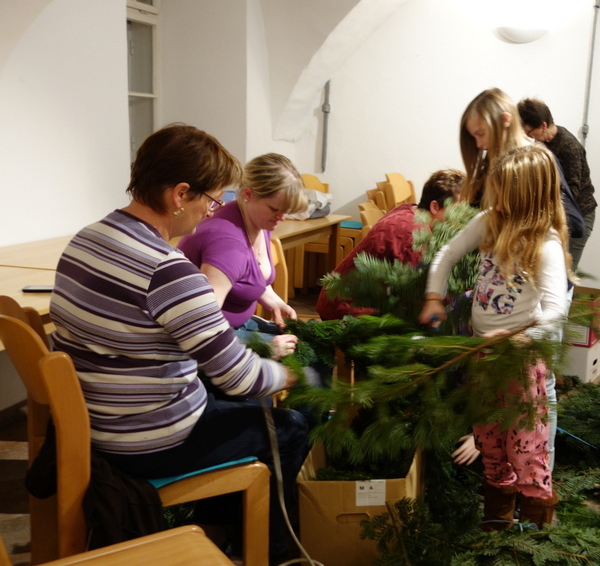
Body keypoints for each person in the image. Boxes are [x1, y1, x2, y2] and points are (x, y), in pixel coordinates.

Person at [48, 124, 310, 561]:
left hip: (94, 424)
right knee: (291, 428)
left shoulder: (87, 237)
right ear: (180, 195)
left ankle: (217, 530)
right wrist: (288, 374)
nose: (212, 211)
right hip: (145, 441)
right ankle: (269, 553)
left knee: (233, 406)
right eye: (212, 199)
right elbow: (241, 377)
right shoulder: (167, 271)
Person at [419, 144, 570, 530]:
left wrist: (523, 338)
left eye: (502, 191)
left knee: (527, 448)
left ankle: (537, 530)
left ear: (526, 194)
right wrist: (434, 296)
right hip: (483, 356)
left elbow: (555, 309)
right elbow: (448, 254)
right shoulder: (490, 221)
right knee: (490, 443)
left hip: (519, 363)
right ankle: (497, 522)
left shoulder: (546, 242)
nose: (493, 198)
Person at [178, 153, 307, 356]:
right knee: (309, 362)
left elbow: (245, 276)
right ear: (248, 194)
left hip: (235, 326)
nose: (281, 217)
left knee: (307, 344)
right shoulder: (227, 245)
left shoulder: (256, 218)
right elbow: (201, 328)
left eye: (286, 210)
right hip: (212, 339)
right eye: (275, 209)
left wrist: (274, 302)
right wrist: (265, 350)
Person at [315, 169, 464, 321]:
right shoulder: (413, 235)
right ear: (435, 207)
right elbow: (426, 294)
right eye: (458, 210)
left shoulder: (412, 210)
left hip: (344, 298)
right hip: (347, 311)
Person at [459, 87, 585, 239]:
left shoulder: (537, 162)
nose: (478, 144)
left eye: (481, 134)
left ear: (505, 120)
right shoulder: (491, 163)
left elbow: (574, 223)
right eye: (474, 137)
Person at [517, 97, 598, 271]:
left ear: (543, 125)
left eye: (530, 132)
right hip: (556, 216)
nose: (529, 137)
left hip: (578, 216)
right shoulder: (543, 141)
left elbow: (572, 192)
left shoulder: (569, 147)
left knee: (564, 274)